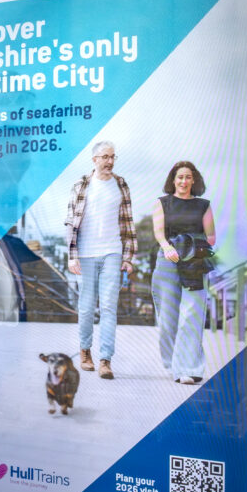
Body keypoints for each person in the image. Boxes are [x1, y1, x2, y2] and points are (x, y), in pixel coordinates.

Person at [64, 140, 137, 380]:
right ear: (94, 159)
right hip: (85, 253)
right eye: (105, 157)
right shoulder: (81, 185)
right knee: (86, 308)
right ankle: (85, 352)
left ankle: (106, 360)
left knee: (108, 307)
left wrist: (128, 256)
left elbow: (128, 222)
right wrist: (72, 255)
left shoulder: (121, 184)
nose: (110, 161)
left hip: (112, 252)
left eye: (113, 156)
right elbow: (70, 223)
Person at [150, 160, 216, 385]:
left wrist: (196, 249)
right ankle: (172, 364)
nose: (184, 181)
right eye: (180, 177)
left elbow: (211, 237)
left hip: (195, 262)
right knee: (168, 317)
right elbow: (159, 233)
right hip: (169, 261)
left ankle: (188, 368)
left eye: (188, 177)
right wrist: (168, 247)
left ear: (194, 180)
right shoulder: (162, 203)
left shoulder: (203, 205)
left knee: (192, 315)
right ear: (173, 180)